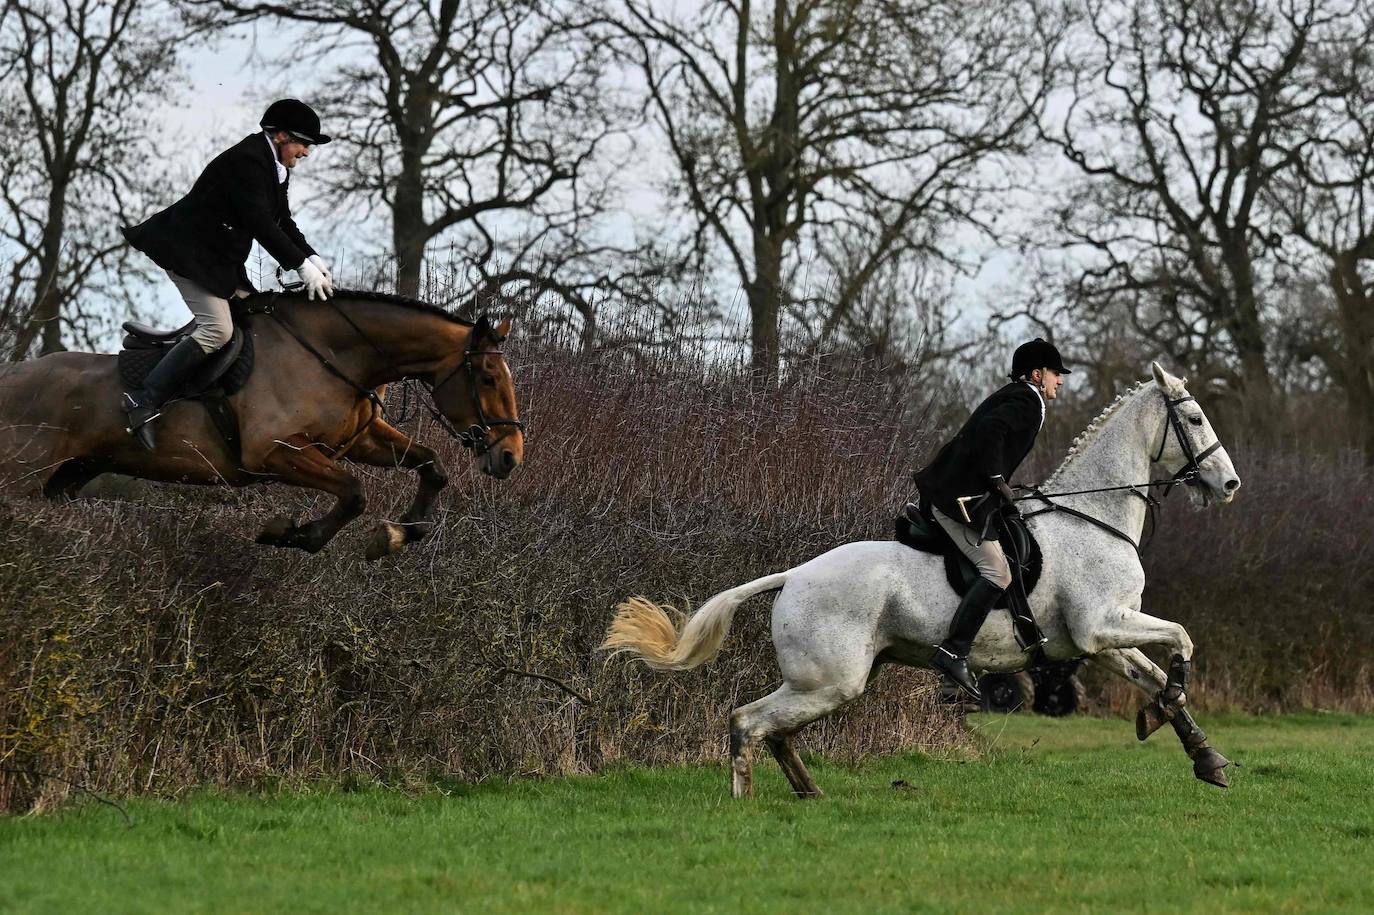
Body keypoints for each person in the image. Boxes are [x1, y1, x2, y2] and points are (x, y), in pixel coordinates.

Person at [120, 99, 335, 450]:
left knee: (261, 316)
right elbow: (260, 223)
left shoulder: (273, 165)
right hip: (187, 254)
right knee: (217, 330)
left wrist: (312, 257)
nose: (307, 151)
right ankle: (143, 400)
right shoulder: (247, 161)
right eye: (303, 142)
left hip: (219, 261)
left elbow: (282, 221)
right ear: (280, 135)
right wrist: (298, 266)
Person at [913, 338, 1071, 700]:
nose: (1059, 381)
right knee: (997, 573)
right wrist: (997, 479)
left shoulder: (1017, 396)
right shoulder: (1027, 399)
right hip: (956, 503)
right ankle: (953, 652)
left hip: (959, 494)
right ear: (1036, 374)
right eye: (1055, 374)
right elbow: (990, 433)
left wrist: (1003, 484)